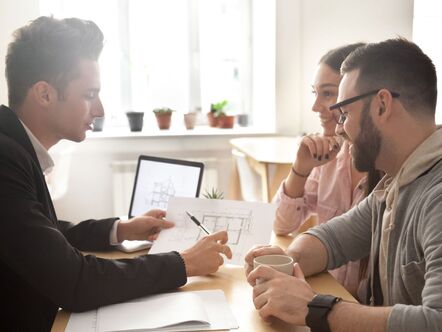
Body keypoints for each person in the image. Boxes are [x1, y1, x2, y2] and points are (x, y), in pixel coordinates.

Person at [0, 16, 232, 331]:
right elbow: (74, 282)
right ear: (44, 94)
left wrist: (122, 229)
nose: (100, 110)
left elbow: (46, 234)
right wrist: (184, 262)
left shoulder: (14, 145)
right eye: (88, 95)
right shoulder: (5, 158)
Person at [245, 38, 442, 331]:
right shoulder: (394, 185)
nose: (339, 128)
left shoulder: (435, 196)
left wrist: (316, 309)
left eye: (345, 114)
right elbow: (330, 239)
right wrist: (285, 261)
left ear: (382, 105)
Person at [273, 43, 382, 298]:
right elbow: (282, 224)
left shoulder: (389, 166)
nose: (315, 107)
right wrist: (300, 168)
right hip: (327, 294)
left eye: (328, 94)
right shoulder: (330, 155)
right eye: (315, 93)